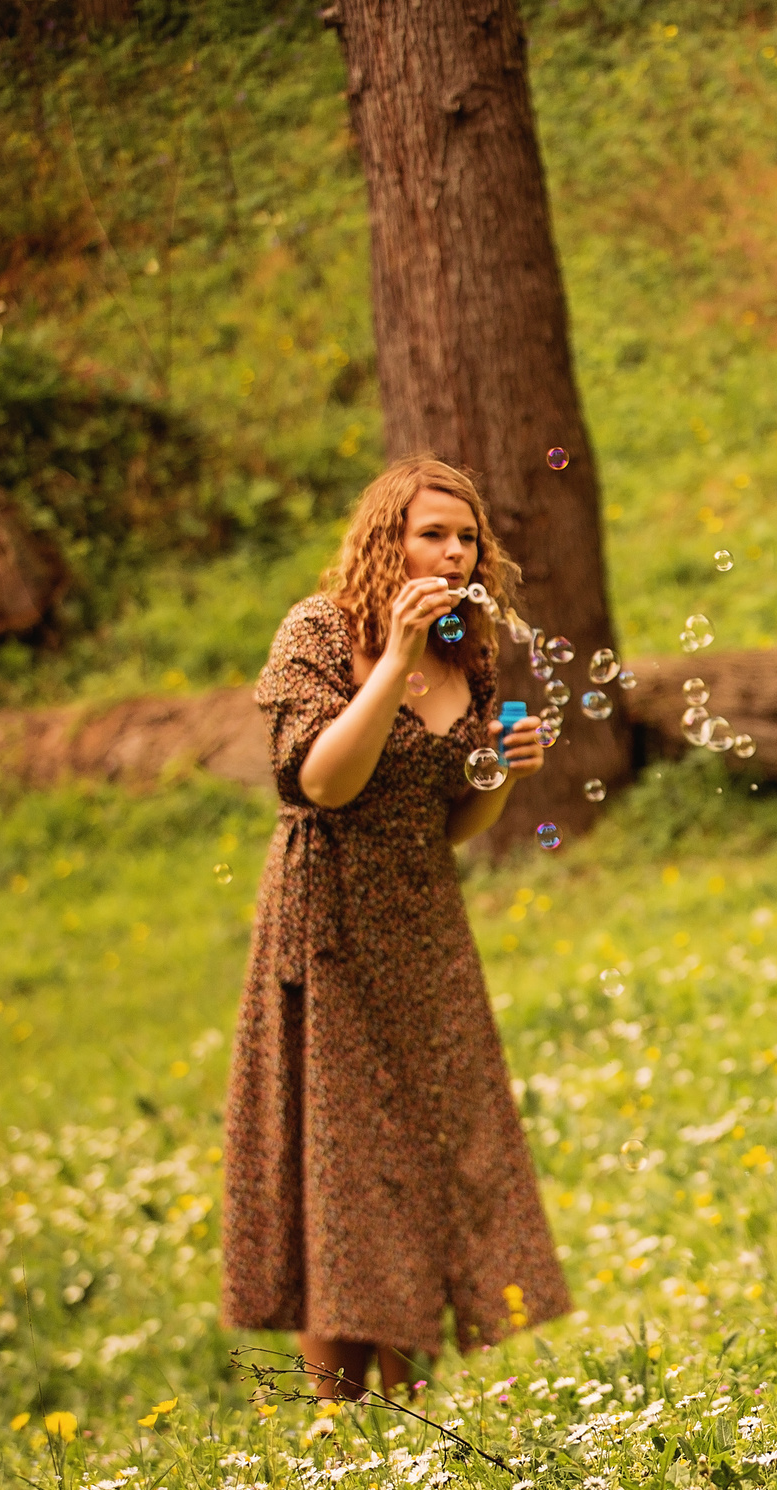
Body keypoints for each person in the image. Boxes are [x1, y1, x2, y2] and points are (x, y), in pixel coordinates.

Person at [223, 455, 573, 1398]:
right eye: (433, 533)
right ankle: (333, 1426)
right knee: (341, 1166)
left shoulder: (472, 651)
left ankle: (408, 1410)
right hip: (326, 925)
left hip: (424, 929)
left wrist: (502, 772)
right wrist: (397, 664)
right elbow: (324, 782)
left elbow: (453, 822)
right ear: (389, 539)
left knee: (424, 1157)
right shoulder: (318, 632)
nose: (454, 552)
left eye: (466, 537)